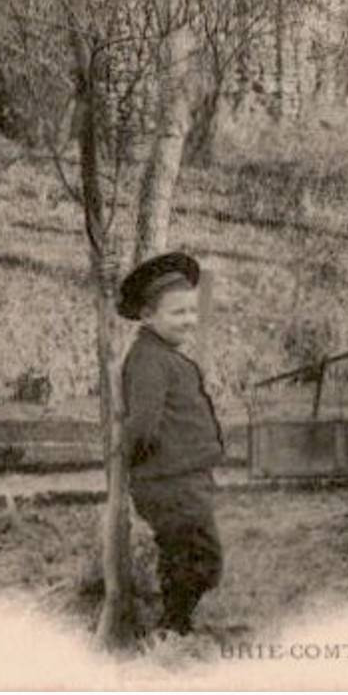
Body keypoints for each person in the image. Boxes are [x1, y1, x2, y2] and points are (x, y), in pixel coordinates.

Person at [116, 251, 225, 635]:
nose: (189, 321)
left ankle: (177, 622)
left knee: (196, 555)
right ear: (147, 316)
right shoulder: (148, 359)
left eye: (192, 311)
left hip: (183, 479)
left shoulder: (163, 356)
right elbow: (142, 424)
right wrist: (144, 465)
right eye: (178, 313)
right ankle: (173, 628)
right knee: (195, 556)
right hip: (168, 482)